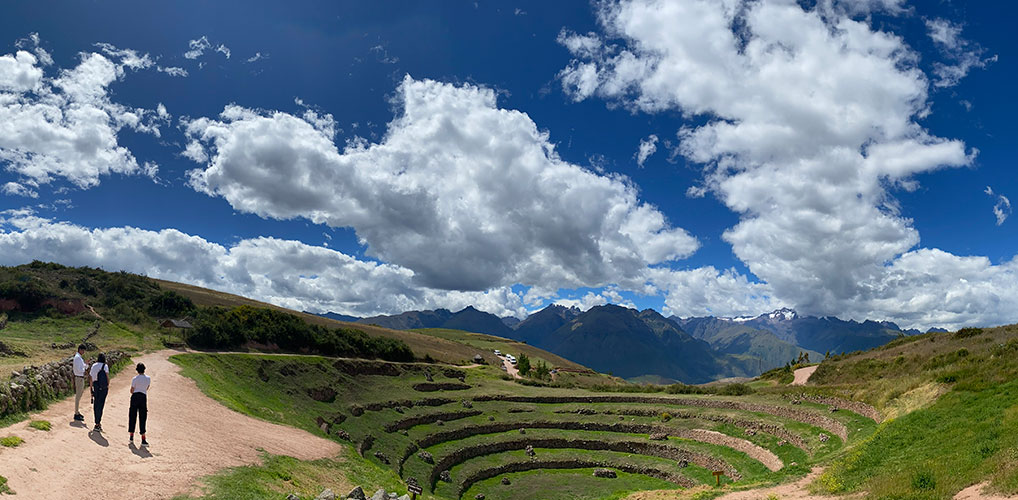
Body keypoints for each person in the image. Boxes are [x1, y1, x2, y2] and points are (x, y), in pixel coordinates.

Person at [128, 362, 150, 446]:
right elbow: (147, 388)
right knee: (143, 417)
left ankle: (131, 436)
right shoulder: (148, 378)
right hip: (143, 397)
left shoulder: (135, 379)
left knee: (132, 416)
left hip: (135, 397)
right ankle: (143, 438)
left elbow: (132, 390)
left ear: (137, 370)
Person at [89, 353, 110, 432]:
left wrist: (91, 388)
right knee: (101, 405)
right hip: (103, 388)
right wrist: (108, 385)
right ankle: (98, 423)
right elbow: (107, 378)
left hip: (96, 387)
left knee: (96, 404)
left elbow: (91, 378)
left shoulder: (94, 366)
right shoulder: (105, 366)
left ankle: (96, 422)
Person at [72, 344, 88, 421]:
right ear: (80, 350)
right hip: (79, 377)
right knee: (78, 395)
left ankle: (77, 411)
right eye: (83, 350)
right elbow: (79, 369)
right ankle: (76, 413)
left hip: (80, 377)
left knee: (79, 394)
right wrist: (84, 368)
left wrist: (85, 365)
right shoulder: (78, 358)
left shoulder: (78, 358)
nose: (84, 352)